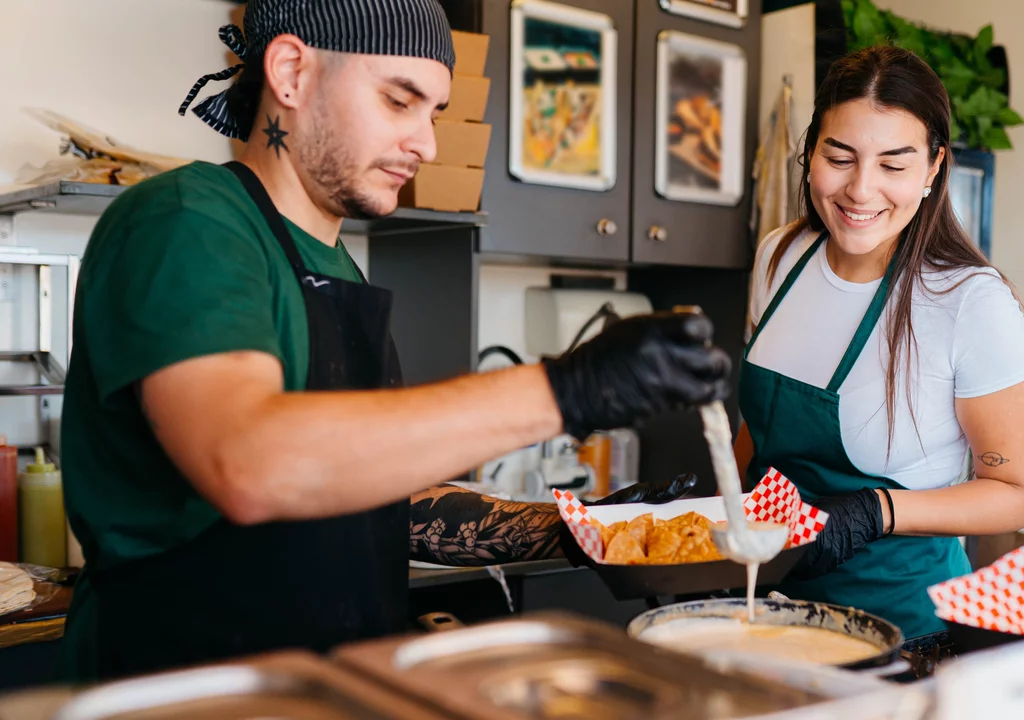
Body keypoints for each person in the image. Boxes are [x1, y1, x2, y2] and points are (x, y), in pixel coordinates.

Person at [59, 0, 730, 681]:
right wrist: (569, 388)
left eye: (434, 113)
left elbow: (375, 497)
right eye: (398, 100)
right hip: (183, 690)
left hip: (330, 687)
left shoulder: (335, 264)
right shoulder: (188, 220)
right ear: (291, 73)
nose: (427, 144)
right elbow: (252, 462)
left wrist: (580, 527)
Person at [734, 46, 1024, 643]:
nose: (860, 189)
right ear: (811, 153)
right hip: (765, 604)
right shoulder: (780, 257)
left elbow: (1020, 493)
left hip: (904, 631)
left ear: (934, 168)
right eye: (840, 156)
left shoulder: (970, 302)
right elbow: (757, 429)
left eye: (893, 164)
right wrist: (707, 501)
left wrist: (879, 511)